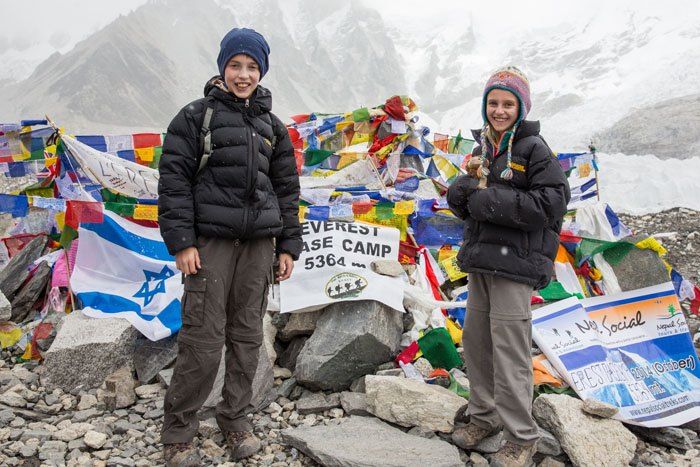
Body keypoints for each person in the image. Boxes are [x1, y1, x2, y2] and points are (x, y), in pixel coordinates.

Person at [157, 27, 302, 466]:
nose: (243, 75)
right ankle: (179, 431)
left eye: (252, 67)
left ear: (262, 71)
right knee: (202, 339)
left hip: (258, 247)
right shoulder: (194, 117)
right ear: (222, 68)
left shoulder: (272, 127)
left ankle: (235, 419)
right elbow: (174, 183)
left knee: (246, 338)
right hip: (211, 245)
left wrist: (288, 247)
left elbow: (286, 190)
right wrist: (182, 242)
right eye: (236, 65)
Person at [447, 66, 570, 467]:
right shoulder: (484, 147)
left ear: (521, 107)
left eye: (507, 103)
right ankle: (484, 416)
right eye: (493, 103)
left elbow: (550, 205)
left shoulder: (535, 149)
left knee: (511, 350)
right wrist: (460, 192)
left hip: (515, 267)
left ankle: (522, 436)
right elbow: (469, 201)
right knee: (477, 341)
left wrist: (487, 200)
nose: (499, 111)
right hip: (482, 261)